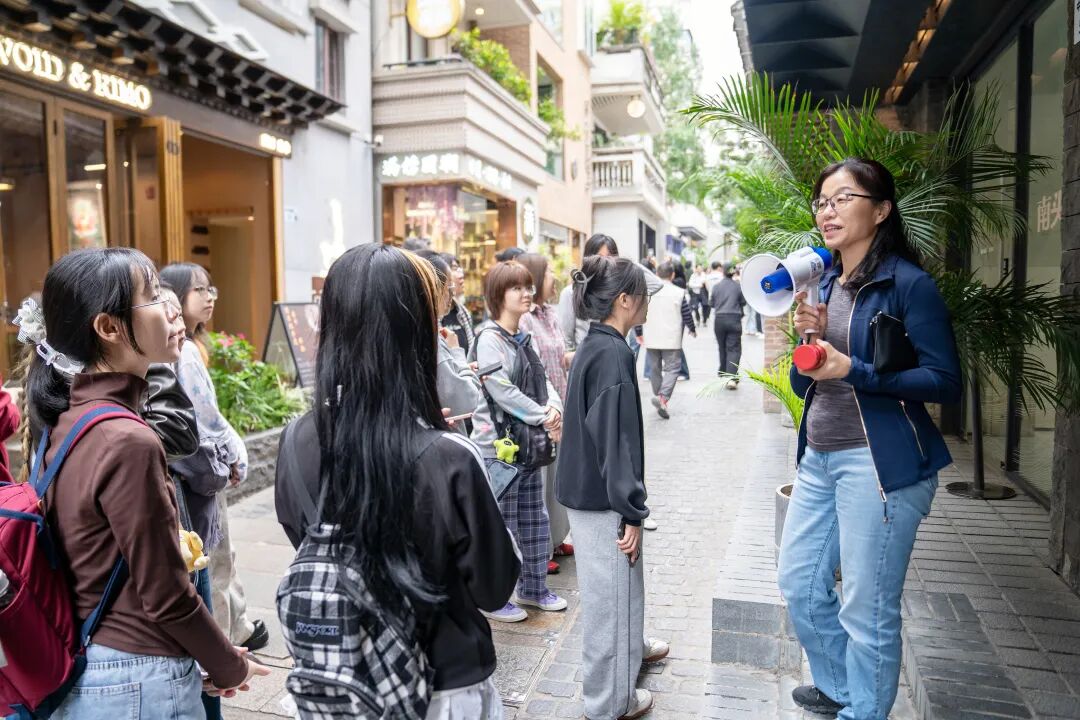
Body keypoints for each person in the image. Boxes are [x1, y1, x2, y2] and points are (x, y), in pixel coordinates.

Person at [22, 248, 266, 719]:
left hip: (94, 664)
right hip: (137, 679)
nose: (171, 308)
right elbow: (166, 595)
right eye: (153, 296)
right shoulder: (127, 439)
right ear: (109, 328)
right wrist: (229, 665)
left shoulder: (68, 419)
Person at [777, 158, 962, 720]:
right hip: (819, 459)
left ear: (881, 211)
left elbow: (945, 381)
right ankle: (840, 687)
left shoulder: (908, 284)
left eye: (842, 199)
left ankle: (864, 711)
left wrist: (853, 370)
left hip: (878, 466)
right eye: (821, 201)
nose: (827, 211)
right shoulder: (826, 283)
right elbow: (805, 382)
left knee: (867, 608)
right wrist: (809, 342)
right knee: (800, 583)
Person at [556, 255, 670, 720]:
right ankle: (607, 703)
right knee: (609, 602)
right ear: (625, 300)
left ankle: (621, 681)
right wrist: (631, 510)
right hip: (602, 499)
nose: (647, 302)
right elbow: (616, 442)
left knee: (618, 593)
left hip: (590, 492)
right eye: (642, 294)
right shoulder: (612, 353)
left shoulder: (598, 344)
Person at [159, 263, 268, 653]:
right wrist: (232, 456)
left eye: (211, 289)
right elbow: (206, 420)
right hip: (200, 469)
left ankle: (234, 629)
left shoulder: (185, 347)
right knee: (214, 554)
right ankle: (225, 641)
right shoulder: (185, 351)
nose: (209, 298)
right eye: (199, 290)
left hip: (189, 468)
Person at [471, 260, 566, 622]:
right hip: (498, 450)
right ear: (499, 294)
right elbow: (502, 392)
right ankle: (495, 598)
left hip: (527, 447)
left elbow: (546, 379)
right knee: (503, 525)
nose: (527, 293)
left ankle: (533, 589)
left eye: (528, 286)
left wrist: (554, 408)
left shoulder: (522, 337)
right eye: (517, 288)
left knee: (534, 520)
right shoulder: (488, 340)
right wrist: (543, 415)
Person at [517, 253, 574, 574]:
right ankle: (540, 547)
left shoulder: (550, 313)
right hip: (540, 409)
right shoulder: (525, 319)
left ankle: (556, 538)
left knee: (557, 478)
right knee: (540, 483)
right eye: (550, 271)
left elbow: (560, 356)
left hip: (559, 403)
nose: (555, 277)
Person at [642, 262, 695, 419]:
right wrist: (692, 328)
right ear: (672, 275)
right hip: (671, 337)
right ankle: (663, 397)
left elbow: (639, 311)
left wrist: (638, 332)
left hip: (651, 335)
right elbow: (686, 313)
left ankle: (659, 396)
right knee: (673, 368)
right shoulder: (679, 292)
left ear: (657, 274)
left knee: (654, 368)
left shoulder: (648, 292)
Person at [710, 263, 746, 388]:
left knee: (722, 347)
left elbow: (712, 303)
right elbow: (743, 302)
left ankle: (724, 373)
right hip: (734, 319)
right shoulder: (738, 286)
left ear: (723, 271)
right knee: (734, 348)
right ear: (734, 272)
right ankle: (731, 378)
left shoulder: (716, 286)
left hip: (719, 320)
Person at [439, 252, 475, 353]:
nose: (461, 275)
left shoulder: (463, 313)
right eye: (454, 268)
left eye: (459, 269)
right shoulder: (434, 316)